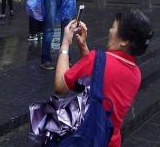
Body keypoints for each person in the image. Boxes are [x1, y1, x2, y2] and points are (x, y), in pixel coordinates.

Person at [55, 9, 154, 147]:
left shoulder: (97, 58)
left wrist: (65, 43)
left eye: (113, 27)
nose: (109, 31)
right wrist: (84, 47)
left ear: (124, 41)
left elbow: (60, 86)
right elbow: (100, 80)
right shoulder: (136, 73)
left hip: (84, 139)